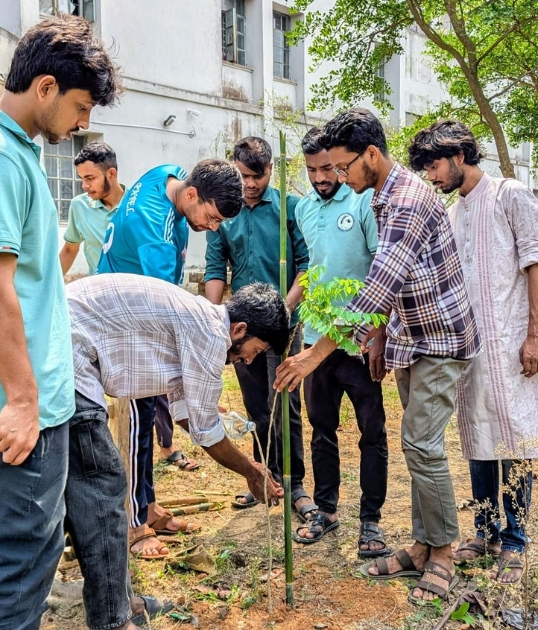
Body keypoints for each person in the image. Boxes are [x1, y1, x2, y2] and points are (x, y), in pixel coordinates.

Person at [0, 16, 119, 630]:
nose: (82, 125)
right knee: (21, 562)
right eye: (79, 106)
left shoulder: (9, 151)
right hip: (21, 408)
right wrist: (23, 398)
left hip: (11, 397)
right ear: (45, 87)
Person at [274, 108, 481, 607]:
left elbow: (375, 291)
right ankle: (419, 546)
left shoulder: (407, 200)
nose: (339, 177)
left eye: (345, 167)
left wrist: (311, 357)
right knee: (418, 447)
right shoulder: (383, 194)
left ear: (371, 154)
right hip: (412, 337)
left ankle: (445, 555)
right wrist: (387, 338)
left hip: (440, 340)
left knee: (421, 444)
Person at [65, 273, 285, 629]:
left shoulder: (202, 322)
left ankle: (120, 602)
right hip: (67, 351)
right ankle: (113, 618)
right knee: (103, 489)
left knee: (96, 491)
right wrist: (251, 471)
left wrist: (239, 454)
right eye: (254, 351)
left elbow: (186, 415)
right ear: (239, 329)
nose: (246, 361)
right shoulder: (211, 334)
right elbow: (206, 432)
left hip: (70, 347)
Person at [409, 120, 538, 585]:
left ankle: (516, 538)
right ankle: (483, 531)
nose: (432, 177)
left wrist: (535, 334)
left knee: (514, 436)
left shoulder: (510, 195)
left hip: (514, 343)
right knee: (479, 434)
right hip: (470, 346)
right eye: (425, 170)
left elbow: (536, 264)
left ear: (460, 156)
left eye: (435, 166)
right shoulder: (454, 212)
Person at [96, 159, 243, 560]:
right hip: (121, 326)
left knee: (147, 421)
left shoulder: (166, 175)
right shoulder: (156, 235)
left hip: (133, 311)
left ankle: (148, 506)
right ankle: (134, 523)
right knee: (136, 425)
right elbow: (168, 313)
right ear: (192, 195)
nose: (212, 228)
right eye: (211, 217)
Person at [290, 126, 391, 558]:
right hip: (316, 338)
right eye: (311, 170)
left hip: (359, 340)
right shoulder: (304, 211)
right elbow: (313, 268)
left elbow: (381, 273)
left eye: (327, 168)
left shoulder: (364, 200)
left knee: (372, 431)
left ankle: (371, 521)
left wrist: (379, 334)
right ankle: (326, 510)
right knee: (321, 429)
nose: (320, 178)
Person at [203, 137, 313, 518]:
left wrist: (283, 310)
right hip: (242, 330)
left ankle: (295, 482)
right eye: (243, 175)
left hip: (283, 327)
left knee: (285, 404)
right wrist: (211, 317)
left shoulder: (291, 208)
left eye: (258, 176)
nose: (250, 184)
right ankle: (261, 476)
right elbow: (216, 268)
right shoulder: (225, 212)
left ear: (270, 170)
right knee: (254, 407)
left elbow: (306, 265)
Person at [59, 141, 124, 277]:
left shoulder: (136, 205)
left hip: (131, 291)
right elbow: (70, 249)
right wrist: (50, 290)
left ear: (111, 174)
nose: (84, 185)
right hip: (98, 291)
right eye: (82, 179)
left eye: (90, 178)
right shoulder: (79, 206)